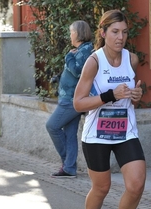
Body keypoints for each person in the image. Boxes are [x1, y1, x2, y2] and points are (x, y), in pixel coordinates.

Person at [73, 10, 146, 209]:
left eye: (124, 32)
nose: (120, 37)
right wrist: (109, 95)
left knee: (136, 185)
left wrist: (137, 96)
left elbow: (133, 96)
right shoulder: (94, 62)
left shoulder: (132, 60)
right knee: (101, 188)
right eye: (115, 32)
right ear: (103, 33)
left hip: (125, 131)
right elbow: (78, 104)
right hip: (97, 135)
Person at [46, 20, 93, 178]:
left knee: (52, 126)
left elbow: (79, 72)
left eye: (71, 32)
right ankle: (69, 168)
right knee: (69, 134)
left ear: (79, 33)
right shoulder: (80, 49)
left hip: (73, 100)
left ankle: (67, 163)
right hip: (69, 98)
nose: (70, 35)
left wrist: (68, 58)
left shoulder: (86, 50)